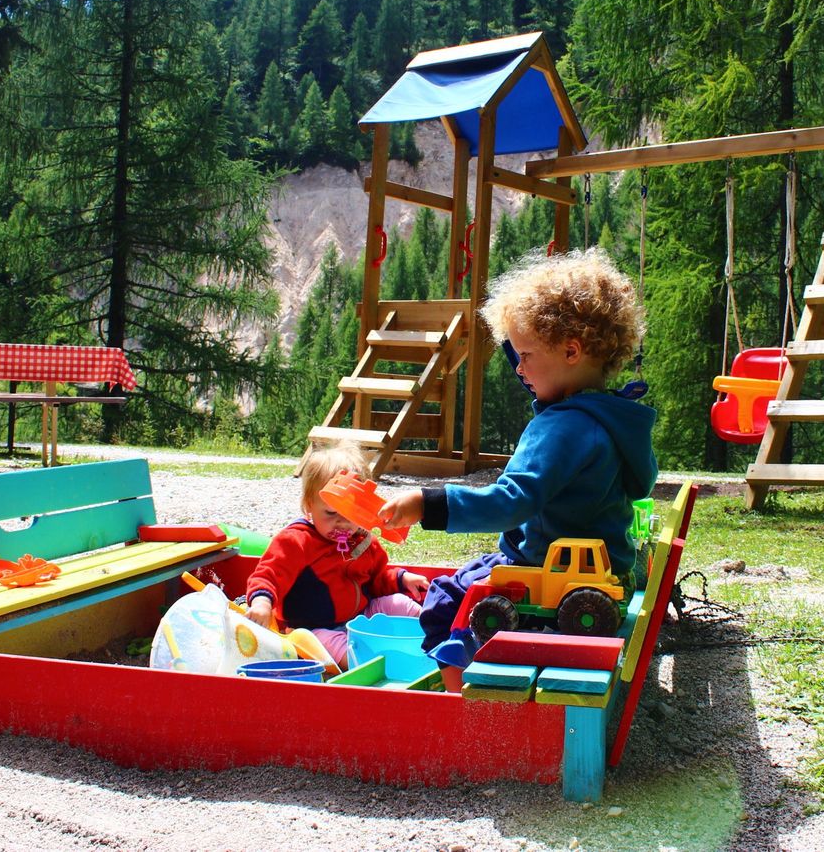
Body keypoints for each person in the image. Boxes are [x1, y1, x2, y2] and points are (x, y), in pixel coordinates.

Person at [378, 247, 658, 688]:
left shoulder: (561, 426)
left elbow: (512, 502)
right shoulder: (615, 418)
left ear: (571, 351)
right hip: (608, 562)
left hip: (543, 565)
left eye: (525, 354)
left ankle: (462, 706)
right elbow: (642, 482)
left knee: (449, 598)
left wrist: (427, 503)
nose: (519, 368)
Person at [245, 441, 429, 668]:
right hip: (312, 629)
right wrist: (262, 602)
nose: (341, 522)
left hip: (358, 617)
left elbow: (375, 581)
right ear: (309, 505)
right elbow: (269, 574)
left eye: (351, 514)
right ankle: (378, 666)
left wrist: (400, 579)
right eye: (331, 512)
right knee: (341, 648)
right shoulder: (297, 541)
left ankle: (433, 636)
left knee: (401, 603)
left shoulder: (362, 542)